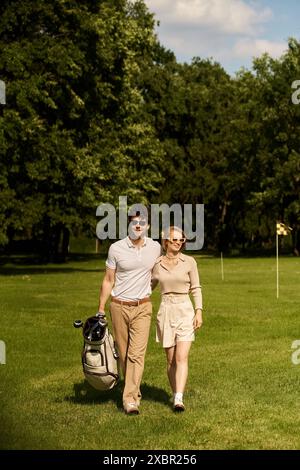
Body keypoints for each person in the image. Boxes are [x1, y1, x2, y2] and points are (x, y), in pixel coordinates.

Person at [98, 210, 161, 415]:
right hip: (118, 306)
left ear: (148, 226)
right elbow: (109, 280)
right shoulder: (116, 248)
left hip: (143, 307)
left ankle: (130, 400)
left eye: (142, 222)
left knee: (136, 354)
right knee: (124, 354)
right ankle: (132, 389)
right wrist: (101, 308)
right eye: (134, 222)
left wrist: (148, 290)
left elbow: (158, 274)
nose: (138, 226)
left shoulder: (155, 247)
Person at [151, 226, 203, 412]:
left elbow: (196, 287)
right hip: (166, 310)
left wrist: (198, 311)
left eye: (181, 240)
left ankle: (179, 399)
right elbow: (149, 286)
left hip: (185, 309)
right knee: (171, 359)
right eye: (175, 240)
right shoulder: (157, 264)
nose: (179, 243)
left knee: (182, 357)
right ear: (165, 242)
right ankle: (174, 394)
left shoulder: (189, 262)